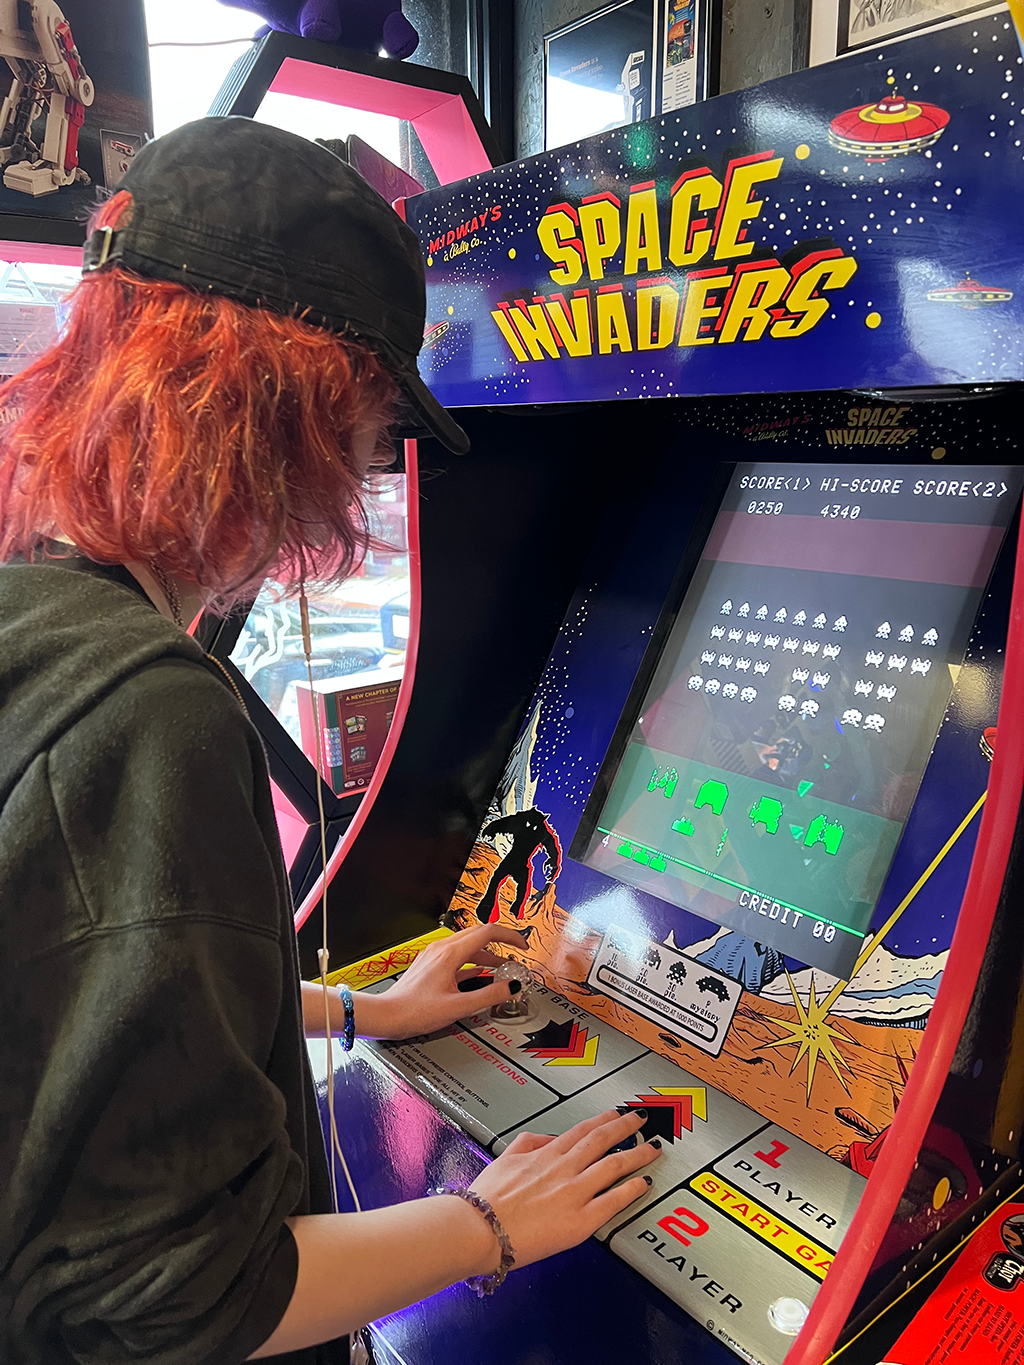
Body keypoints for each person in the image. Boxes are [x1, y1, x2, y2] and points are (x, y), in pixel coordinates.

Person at [0, 118, 660, 1365]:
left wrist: (354, 1016)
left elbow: (86, 992)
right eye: (365, 431)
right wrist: (487, 1222)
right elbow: (174, 1296)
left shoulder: (33, 610)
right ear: (282, 410)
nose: (362, 474)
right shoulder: (148, 708)